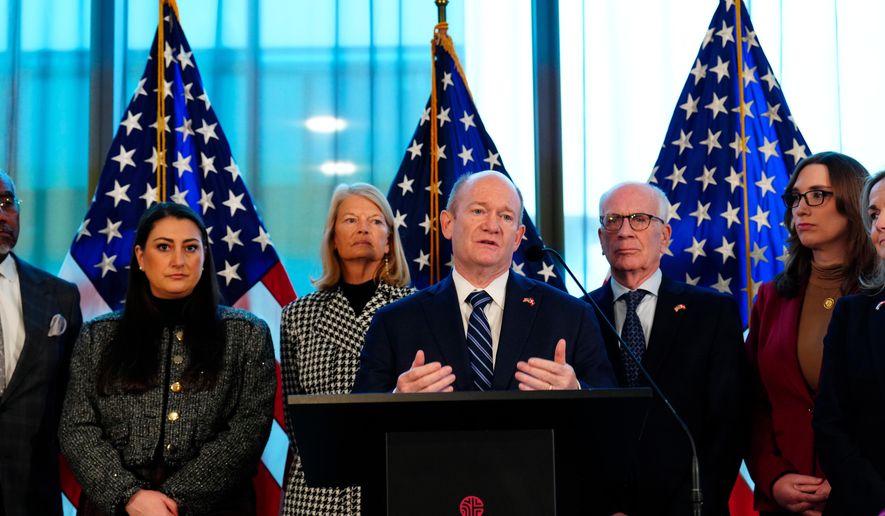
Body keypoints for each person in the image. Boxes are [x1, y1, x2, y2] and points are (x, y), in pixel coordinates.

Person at [59, 202, 276, 516]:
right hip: (117, 508)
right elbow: (76, 427)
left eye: (190, 248)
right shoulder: (97, 336)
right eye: (163, 247)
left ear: (205, 256)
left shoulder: (247, 335)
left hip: (217, 507)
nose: (178, 261)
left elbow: (248, 431)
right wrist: (130, 496)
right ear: (140, 257)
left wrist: (173, 501)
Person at [352, 170, 615, 394]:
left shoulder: (571, 316)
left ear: (518, 237)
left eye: (506, 217)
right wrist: (396, 400)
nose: (492, 225)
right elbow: (358, 424)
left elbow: (610, 414)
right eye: (478, 211)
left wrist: (576, 392)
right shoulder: (395, 322)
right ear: (447, 224)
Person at [588, 181, 747, 516]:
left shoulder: (712, 313)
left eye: (640, 219)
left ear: (665, 236)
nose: (625, 232)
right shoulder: (579, 314)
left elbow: (729, 426)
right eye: (613, 221)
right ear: (601, 239)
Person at [745, 152, 878, 515]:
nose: (801, 208)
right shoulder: (771, 298)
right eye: (795, 197)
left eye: (817, 195)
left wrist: (854, 479)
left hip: (866, 498)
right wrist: (774, 478)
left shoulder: (877, 299)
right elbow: (752, 405)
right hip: (785, 500)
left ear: (853, 201)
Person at [279, 183, 415, 516]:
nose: (363, 228)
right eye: (351, 220)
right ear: (333, 240)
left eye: (376, 221)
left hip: (393, 478)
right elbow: (294, 416)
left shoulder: (417, 308)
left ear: (388, 242)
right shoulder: (297, 314)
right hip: (317, 490)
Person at [0, 170, 82, 516]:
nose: (3, 215)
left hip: (33, 494)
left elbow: (73, 397)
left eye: (7, 202)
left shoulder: (59, 297)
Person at [813, 169, 885, 514]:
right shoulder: (852, 313)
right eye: (874, 214)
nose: (880, 225)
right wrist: (876, 500)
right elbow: (829, 421)